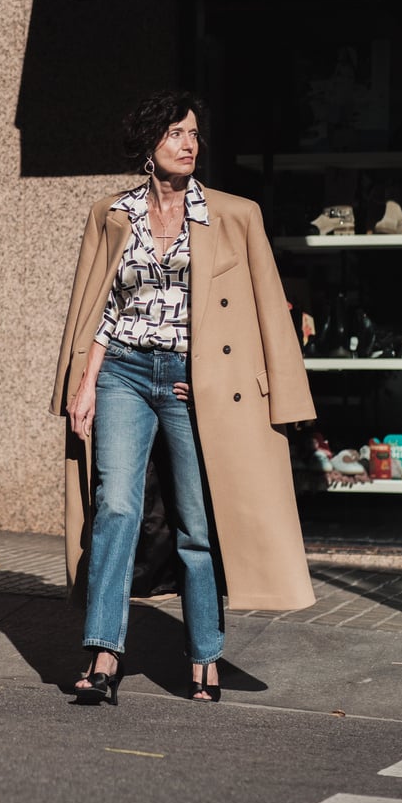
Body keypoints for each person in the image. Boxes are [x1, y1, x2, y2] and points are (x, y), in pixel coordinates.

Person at [50, 92, 316, 704]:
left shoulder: (233, 214)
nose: (189, 143)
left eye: (194, 133)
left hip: (190, 383)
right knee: (114, 506)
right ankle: (103, 654)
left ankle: (204, 655)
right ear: (149, 146)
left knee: (196, 523)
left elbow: (262, 313)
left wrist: (220, 379)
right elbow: (97, 310)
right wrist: (84, 383)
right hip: (121, 372)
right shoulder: (111, 214)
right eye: (175, 133)